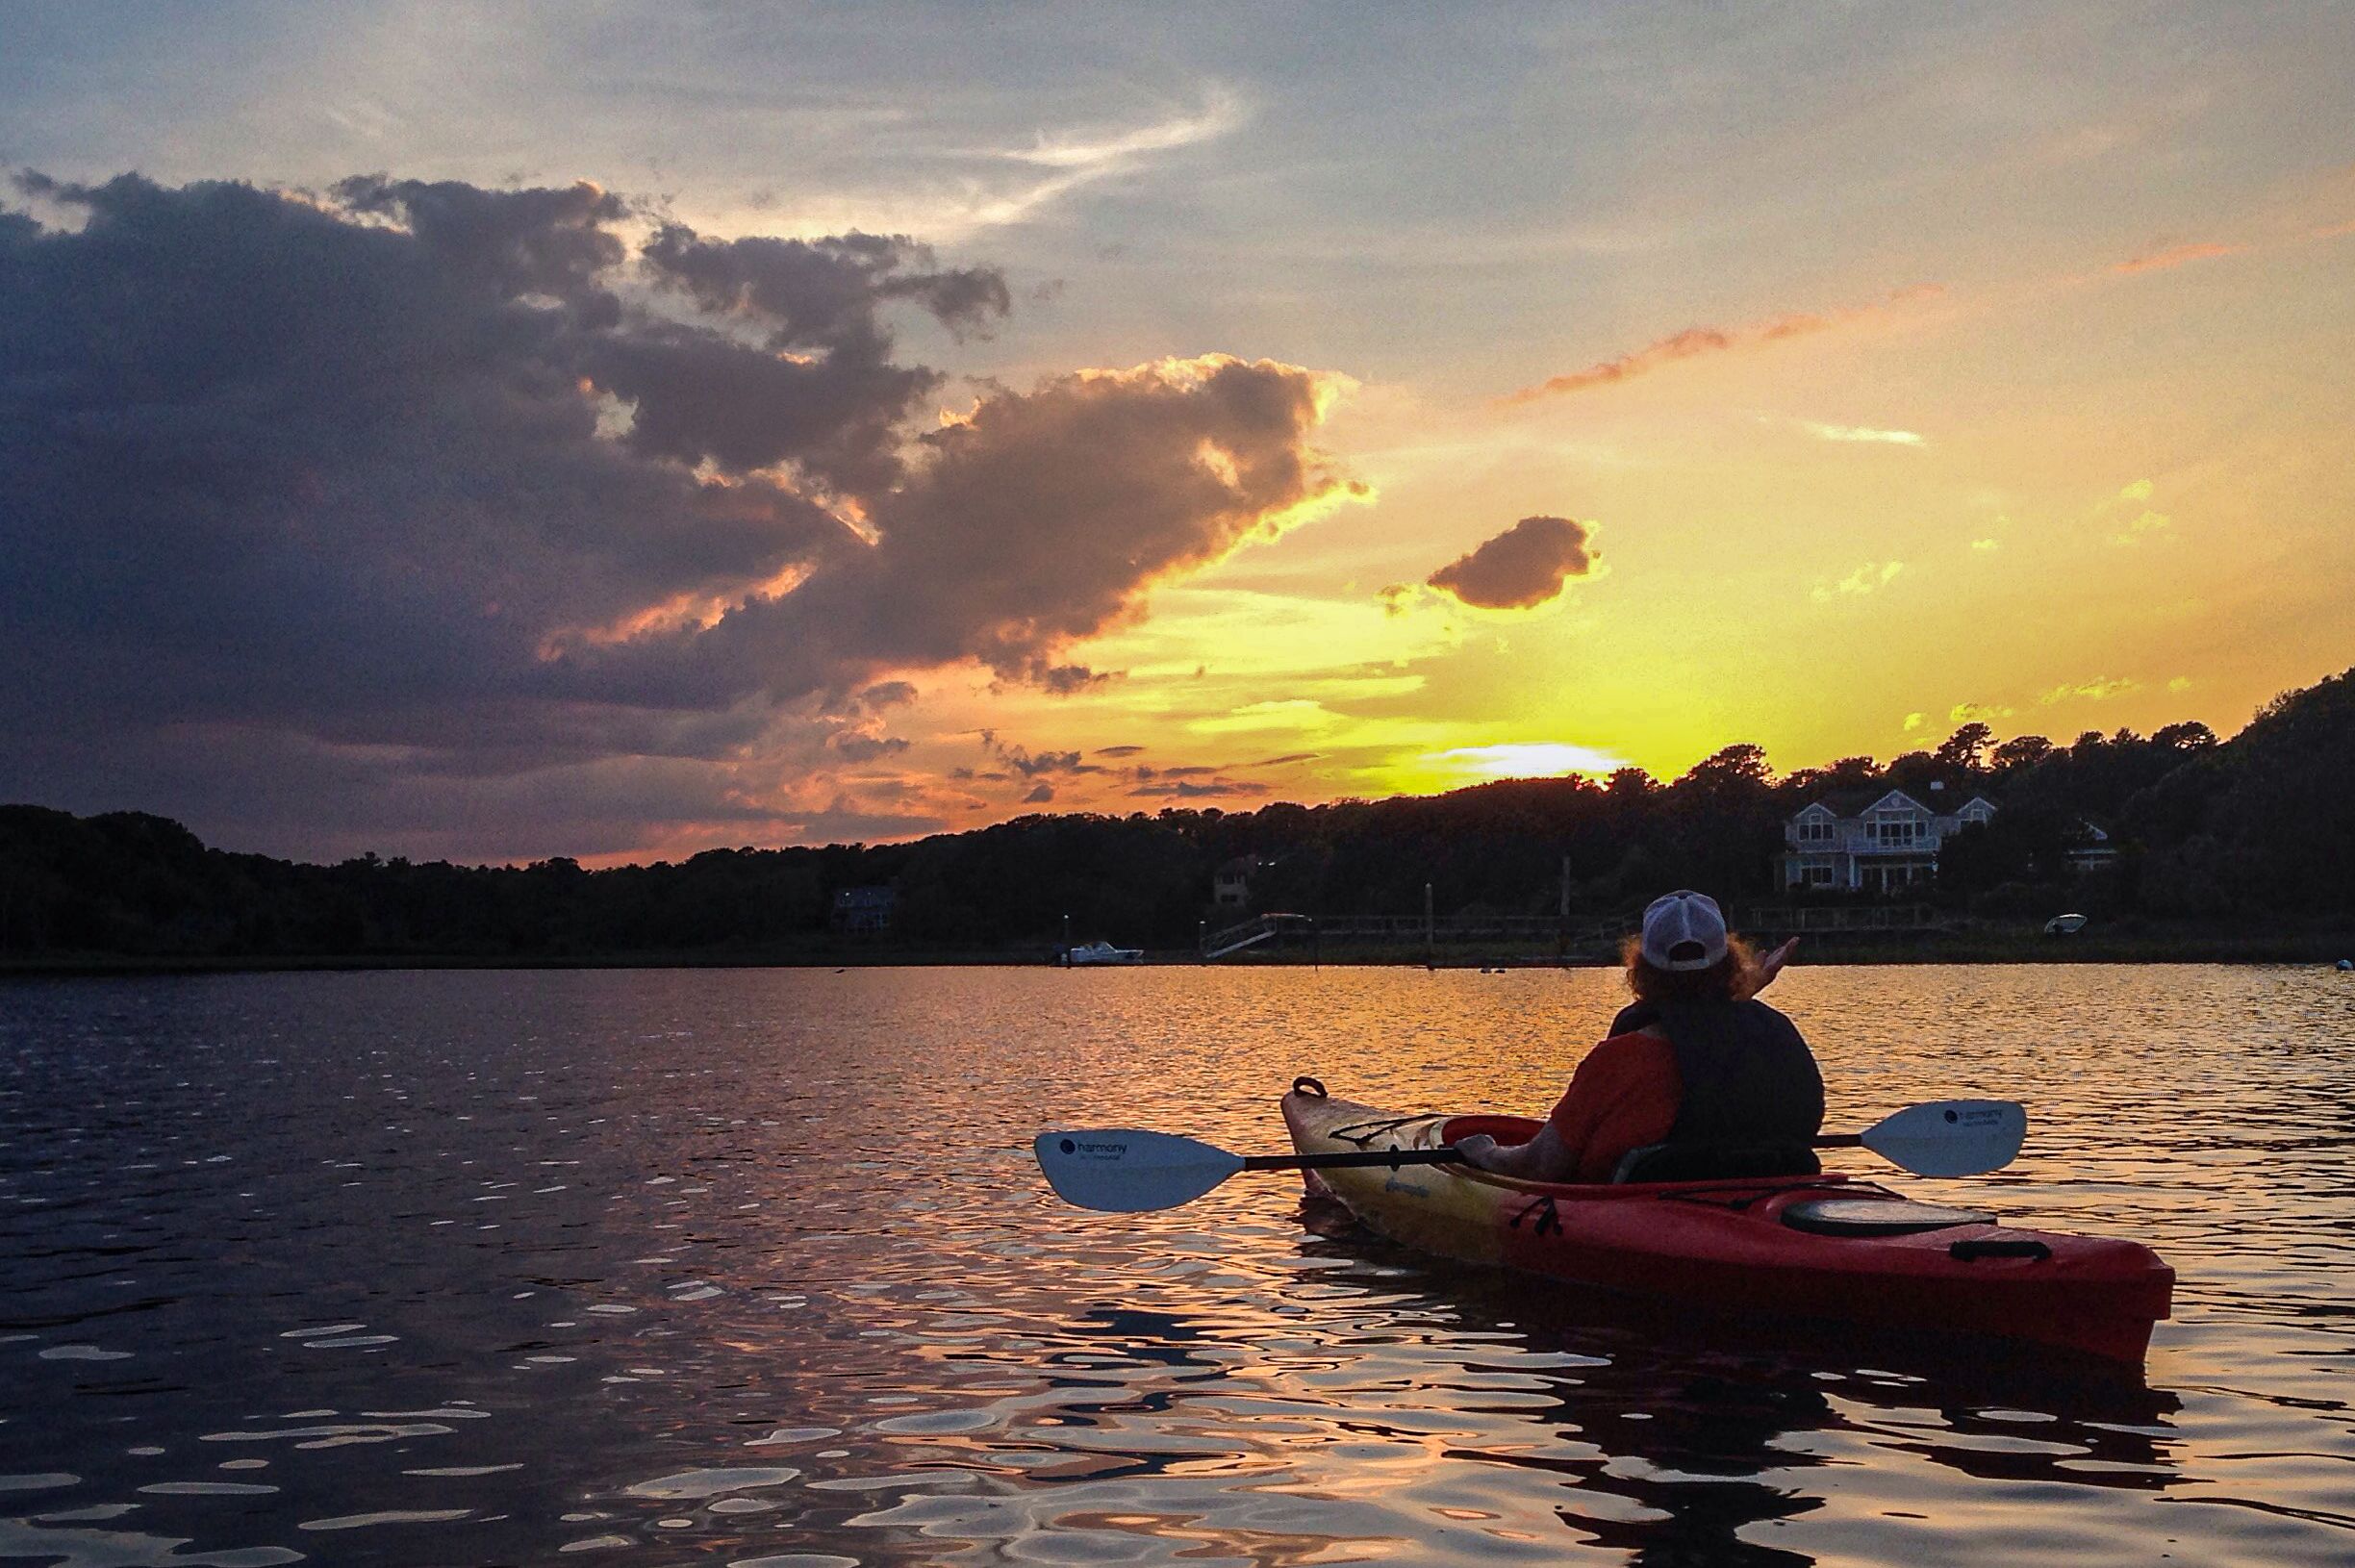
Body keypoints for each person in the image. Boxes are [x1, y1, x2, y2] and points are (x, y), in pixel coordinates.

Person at [1456, 891, 1821, 1183]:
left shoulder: (1618, 1060)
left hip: (1650, 1219)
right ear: (1730, 963)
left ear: (1642, 969)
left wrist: (1485, 1153)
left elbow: (1539, 1167)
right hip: (1773, 1199)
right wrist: (1740, 989)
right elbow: (1710, 1029)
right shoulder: (1779, 1035)